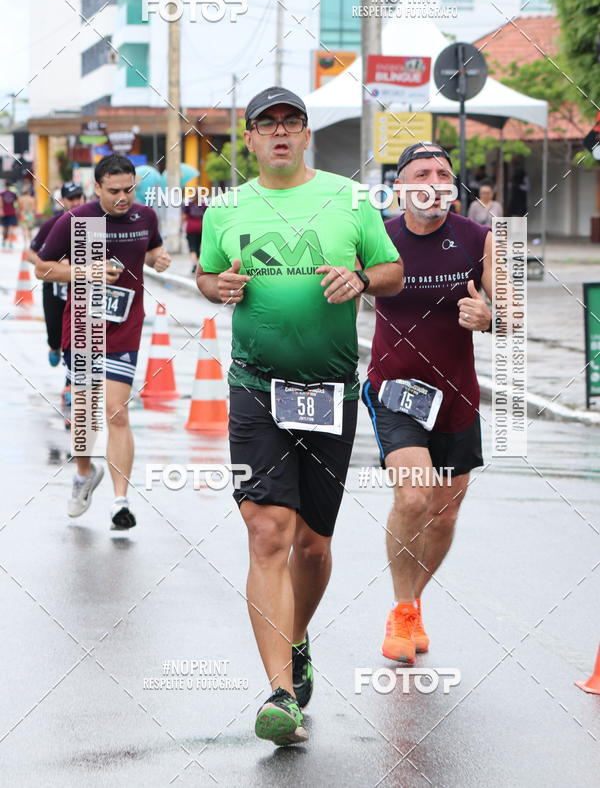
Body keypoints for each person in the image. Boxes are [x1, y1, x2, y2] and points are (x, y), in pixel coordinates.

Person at [196, 86, 403, 746]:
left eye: (291, 122)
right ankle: (280, 694)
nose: (280, 132)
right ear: (250, 139)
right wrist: (220, 286)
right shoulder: (226, 209)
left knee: (313, 544)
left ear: (306, 134)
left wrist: (361, 280)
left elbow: (392, 270)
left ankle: (296, 634)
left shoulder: (351, 199)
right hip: (255, 387)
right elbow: (207, 276)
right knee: (267, 532)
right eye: (267, 124)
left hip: (330, 390)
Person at [362, 142, 494, 665]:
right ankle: (400, 609)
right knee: (415, 498)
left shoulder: (479, 237)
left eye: (443, 173)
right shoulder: (378, 237)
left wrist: (491, 318)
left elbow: (514, 311)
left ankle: (413, 603)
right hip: (395, 391)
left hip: (457, 394)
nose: (434, 182)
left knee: (443, 513)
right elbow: (340, 289)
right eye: (421, 173)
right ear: (400, 186)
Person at [36, 155, 171, 530]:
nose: (123, 197)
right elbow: (43, 267)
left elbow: (152, 249)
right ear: (97, 188)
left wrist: (159, 259)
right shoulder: (78, 220)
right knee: (84, 415)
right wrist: (85, 271)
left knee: (117, 412)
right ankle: (84, 473)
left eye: (129, 189)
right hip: (83, 327)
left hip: (125, 327)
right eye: (114, 191)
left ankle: (120, 501)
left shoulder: (145, 217)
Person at [26, 183, 84, 388]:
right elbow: (31, 253)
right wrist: (52, 265)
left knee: (78, 336)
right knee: (55, 333)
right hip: (53, 287)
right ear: (63, 201)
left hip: (81, 289)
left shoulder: (93, 222)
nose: (76, 202)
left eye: (79, 197)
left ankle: (71, 384)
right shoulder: (53, 224)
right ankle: (54, 346)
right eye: (71, 198)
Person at [182, 186, 207, 275]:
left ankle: (194, 264)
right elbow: (207, 217)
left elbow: (184, 217)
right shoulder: (204, 205)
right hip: (201, 227)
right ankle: (198, 263)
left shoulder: (189, 204)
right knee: (199, 247)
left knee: (192, 247)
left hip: (191, 227)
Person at [0, 183, 18, 248]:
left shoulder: (2, 194)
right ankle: (10, 242)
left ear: (5, 186)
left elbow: (1, 202)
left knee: (5, 227)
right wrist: (16, 210)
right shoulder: (13, 194)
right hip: (12, 212)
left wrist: (1, 210)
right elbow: (16, 203)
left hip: (5, 212)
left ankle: (4, 241)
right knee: (11, 228)